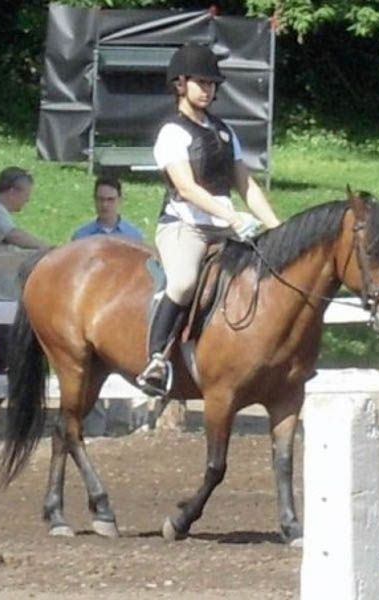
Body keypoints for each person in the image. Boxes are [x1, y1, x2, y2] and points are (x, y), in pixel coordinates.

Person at [136, 43, 281, 394]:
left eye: (212, 83)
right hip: (185, 227)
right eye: (201, 82)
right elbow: (185, 187)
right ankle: (156, 358)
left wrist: (277, 228)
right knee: (184, 281)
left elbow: (246, 185)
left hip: (225, 227)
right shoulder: (172, 132)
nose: (208, 89)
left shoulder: (224, 132)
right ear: (180, 84)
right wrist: (230, 216)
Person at [0, 167, 50, 431]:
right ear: (12, 190)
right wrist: (47, 248)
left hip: (0, 297)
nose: (27, 200)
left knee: (1, 358)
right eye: (25, 193)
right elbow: (14, 236)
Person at [71, 176, 143, 242]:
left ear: (120, 200)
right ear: (94, 200)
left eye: (110, 199)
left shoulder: (133, 236)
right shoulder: (81, 237)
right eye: (101, 199)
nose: (105, 205)